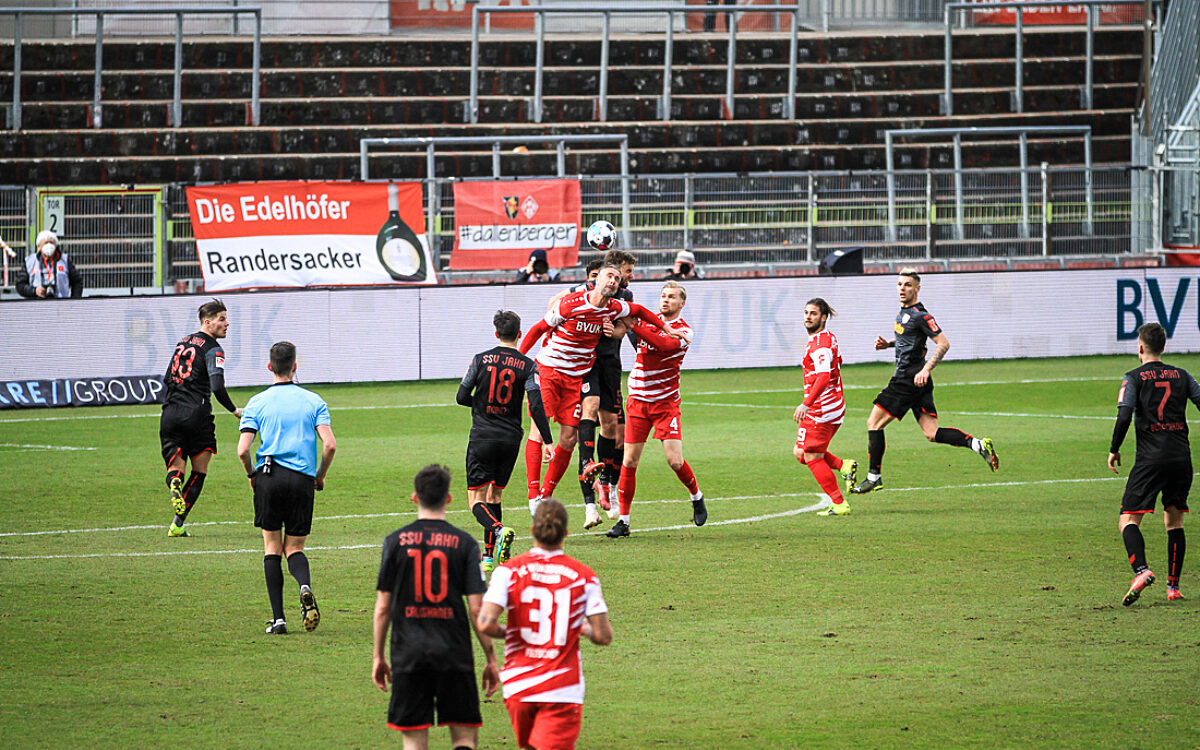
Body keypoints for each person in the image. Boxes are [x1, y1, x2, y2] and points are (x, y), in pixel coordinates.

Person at [519, 263, 670, 521]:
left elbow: (641, 311)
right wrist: (518, 358)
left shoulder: (613, 308)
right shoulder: (571, 304)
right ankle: (534, 495)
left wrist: (667, 329)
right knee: (538, 428)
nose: (614, 280)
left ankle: (546, 493)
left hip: (575, 378)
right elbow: (538, 329)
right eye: (609, 276)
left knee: (568, 438)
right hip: (549, 370)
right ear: (596, 280)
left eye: (617, 278)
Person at [373, 464, 500, 750]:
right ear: (449, 499)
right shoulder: (466, 544)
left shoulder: (394, 543)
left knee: (414, 741)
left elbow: (383, 608)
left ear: (415, 498)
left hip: (408, 654)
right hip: (454, 652)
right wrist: (491, 658)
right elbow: (477, 610)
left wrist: (379, 656)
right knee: (465, 738)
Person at [477, 499, 613, 750]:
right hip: (561, 688)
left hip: (519, 687)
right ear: (566, 533)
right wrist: (580, 628)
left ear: (532, 530)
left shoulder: (507, 572)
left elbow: (485, 623)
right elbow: (604, 636)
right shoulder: (584, 576)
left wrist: (514, 632)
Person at [850, 268, 998, 494]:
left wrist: (926, 369)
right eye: (900, 284)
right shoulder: (904, 313)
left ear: (917, 288)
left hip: (908, 379)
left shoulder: (921, 315)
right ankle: (978, 444)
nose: (902, 288)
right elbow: (909, 340)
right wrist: (888, 344)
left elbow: (943, 343)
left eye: (908, 285)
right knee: (932, 433)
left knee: (874, 424)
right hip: (916, 381)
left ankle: (874, 477)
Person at [237, 341, 336, 635]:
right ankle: (304, 585)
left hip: (268, 477)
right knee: (295, 548)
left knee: (272, 547)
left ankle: (279, 619)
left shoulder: (256, 402)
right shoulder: (313, 400)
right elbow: (329, 445)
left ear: (270, 367)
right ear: (295, 367)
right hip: (301, 480)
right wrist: (319, 475)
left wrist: (252, 475)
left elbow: (243, 450)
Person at [456, 310, 554, 578]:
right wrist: (547, 441)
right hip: (511, 438)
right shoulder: (528, 365)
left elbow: (461, 395)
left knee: (476, 500)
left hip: (482, 436)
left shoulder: (480, 360)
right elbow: (536, 403)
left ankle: (498, 530)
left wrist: (482, 406)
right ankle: (488, 557)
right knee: (495, 495)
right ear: (520, 335)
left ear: (496, 333)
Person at [606, 281, 707, 537]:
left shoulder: (685, 331)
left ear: (681, 303)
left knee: (674, 460)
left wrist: (633, 325)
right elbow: (625, 327)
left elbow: (663, 345)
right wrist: (614, 326)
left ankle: (696, 495)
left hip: (665, 403)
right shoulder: (647, 321)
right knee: (629, 461)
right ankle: (624, 522)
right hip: (638, 400)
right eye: (663, 296)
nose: (666, 300)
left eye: (672, 297)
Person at [1107, 322, 1196, 605]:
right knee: (1175, 520)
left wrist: (1114, 448)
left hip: (1150, 459)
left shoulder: (1133, 377)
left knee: (1128, 519)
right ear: (1163, 347)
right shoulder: (1182, 375)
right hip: (1181, 457)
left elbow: (1124, 416)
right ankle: (1173, 588)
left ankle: (1142, 570)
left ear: (1141, 347)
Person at [160, 299, 242, 538]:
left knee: (177, 468)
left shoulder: (182, 342)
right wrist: (234, 410)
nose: (227, 324)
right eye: (222, 319)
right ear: (208, 322)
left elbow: (168, 377)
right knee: (200, 470)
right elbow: (217, 386)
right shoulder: (213, 349)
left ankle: (175, 482)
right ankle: (177, 523)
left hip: (170, 413)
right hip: (197, 414)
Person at [793, 298, 859, 516]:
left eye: (813, 313)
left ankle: (839, 503)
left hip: (822, 409)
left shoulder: (820, 344)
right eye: (806, 313)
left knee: (811, 456)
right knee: (801, 452)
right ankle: (843, 465)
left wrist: (806, 403)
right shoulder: (826, 338)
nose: (808, 317)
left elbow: (823, 376)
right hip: (832, 405)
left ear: (823, 317)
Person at [16, 230, 83, 299]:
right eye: (46, 243)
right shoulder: (30, 261)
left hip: (61, 303)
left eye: (51, 242)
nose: (49, 245)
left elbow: (77, 282)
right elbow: (20, 285)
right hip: (36, 305)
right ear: (39, 247)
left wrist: (74, 300)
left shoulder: (65, 260)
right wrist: (34, 291)